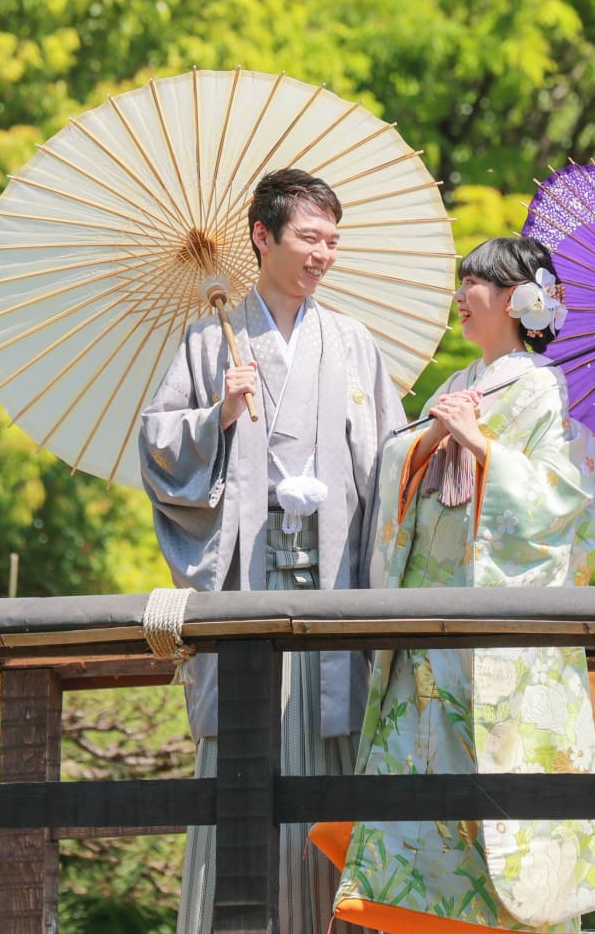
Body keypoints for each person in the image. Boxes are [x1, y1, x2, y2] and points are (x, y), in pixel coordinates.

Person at [311, 236, 595, 933]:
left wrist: (481, 446)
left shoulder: (542, 387)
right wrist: (429, 440)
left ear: (514, 299)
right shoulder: (461, 382)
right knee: (414, 790)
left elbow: (560, 504)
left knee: (488, 801)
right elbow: (398, 462)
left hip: (485, 640)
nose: (460, 296)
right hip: (424, 620)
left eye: (473, 283)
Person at [139, 168, 405, 934]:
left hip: (333, 611)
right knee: (244, 785)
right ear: (263, 236)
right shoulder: (206, 341)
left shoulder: (352, 343)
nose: (324, 254)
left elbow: (392, 461)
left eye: (333, 240)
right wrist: (217, 414)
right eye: (310, 238)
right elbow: (159, 451)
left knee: (334, 783)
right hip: (247, 603)